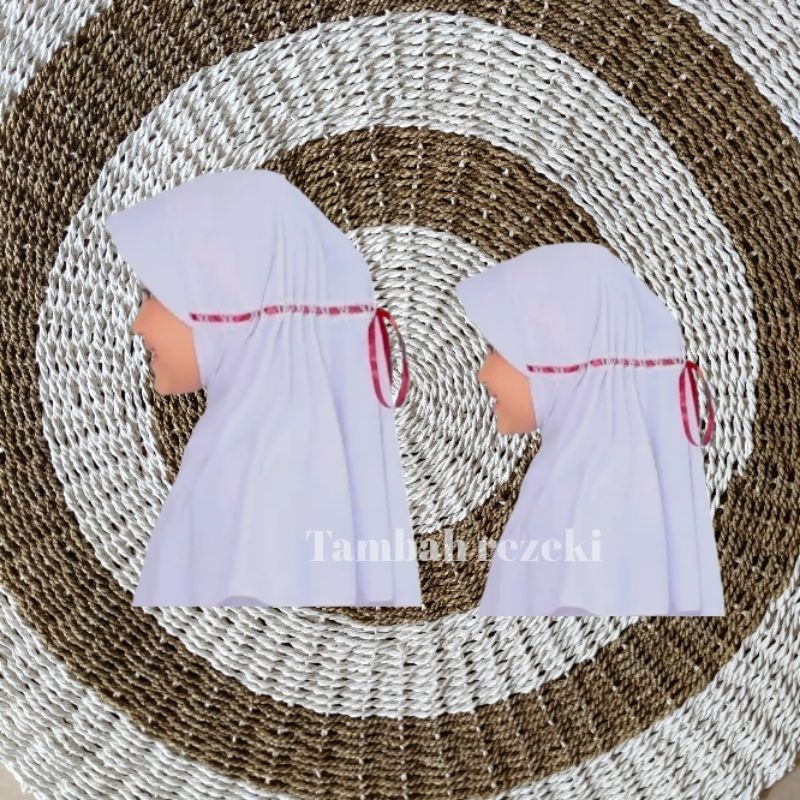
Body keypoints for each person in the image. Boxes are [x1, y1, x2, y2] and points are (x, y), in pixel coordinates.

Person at [106, 168, 423, 609]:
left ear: (226, 298)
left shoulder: (255, 477)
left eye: (156, 294)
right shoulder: (290, 452)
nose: (139, 324)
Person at [454, 241, 724, 616]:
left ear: (558, 354)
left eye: (498, 349)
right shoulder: (602, 475)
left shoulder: (587, 500)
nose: (483, 374)